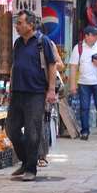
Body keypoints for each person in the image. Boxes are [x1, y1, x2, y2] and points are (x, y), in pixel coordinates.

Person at [8, 10, 58, 182]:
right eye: (17, 23)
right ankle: (25, 160)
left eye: (20, 23)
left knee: (32, 132)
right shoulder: (18, 43)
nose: (17, 26)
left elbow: (52, 66)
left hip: (36, 94)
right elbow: (15, 66)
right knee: (11, 129)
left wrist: (51, 90)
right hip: (17, 93)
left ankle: (31, 168)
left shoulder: (43, 42)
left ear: (30, 25)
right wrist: (10, 87)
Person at [68, 26, 97, 140]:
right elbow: (73, 67)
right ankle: (85, 131)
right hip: (83, 83)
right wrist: (72, 84)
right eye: (94, 36)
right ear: (86, 36)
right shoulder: (78, 48)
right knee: (84, 107)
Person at [38, 39, 65, 168]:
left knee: (43, 121)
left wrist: (49, 65)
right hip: (28, 88)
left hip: (44, 88)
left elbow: (60, 65)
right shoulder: (20, 43)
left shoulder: (47, 44)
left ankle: (42, 155)